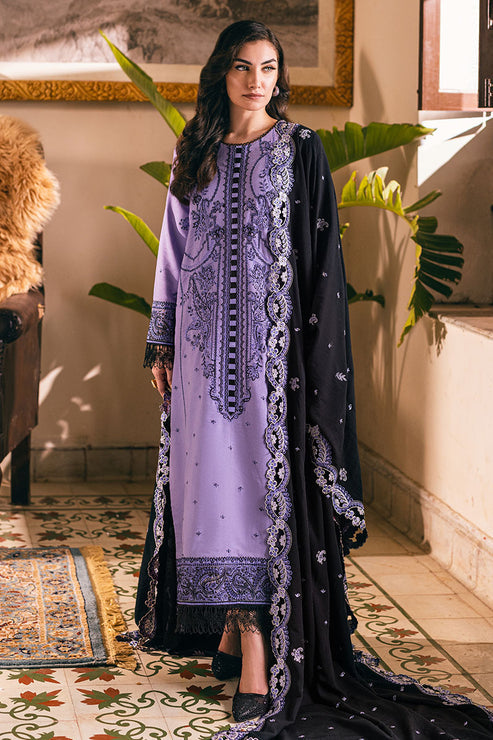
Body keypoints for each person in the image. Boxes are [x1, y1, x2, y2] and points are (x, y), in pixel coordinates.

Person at [134, 19, 493, 739]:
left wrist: (306, 359)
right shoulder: (194, 149)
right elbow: (172, 250)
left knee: (255, 498)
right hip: (201, 354)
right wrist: (160, 338)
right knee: (208, 496)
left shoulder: (299, 149)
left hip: (271, 363)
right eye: (243, 67)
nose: (256, 81)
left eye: (268, 68)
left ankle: (257, 648)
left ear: (280, 77)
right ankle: (234, 628)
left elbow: (321, 263)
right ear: (221, 73)